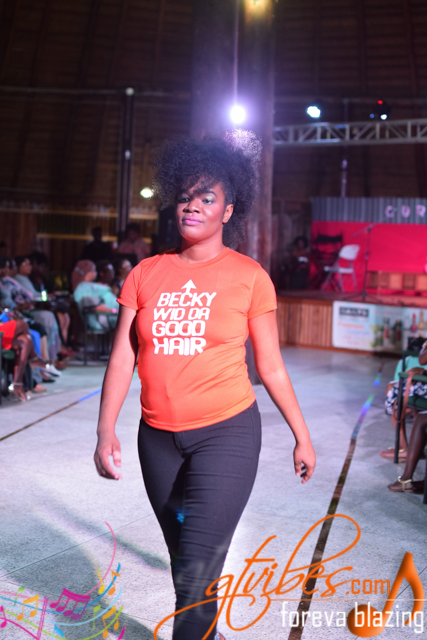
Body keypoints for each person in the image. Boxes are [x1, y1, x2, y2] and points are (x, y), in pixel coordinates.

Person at [93, 133, 316, 640]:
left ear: (228, 211)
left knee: (194, 574)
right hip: (157, 439)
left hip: (227, 434)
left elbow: (271, 367)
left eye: (207, 198)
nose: (192, 206)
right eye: (185, 197)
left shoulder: (249, 277)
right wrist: (105, 430)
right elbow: (123, 356)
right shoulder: (145, 274)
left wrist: (302, 436)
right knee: (188, 565)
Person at [72, 260, 118, 331]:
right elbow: (94, 306)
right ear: (88, 273)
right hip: (106, 318)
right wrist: (114, 311)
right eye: (94, 271)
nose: (96, 273)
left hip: (114, 316)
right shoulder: (82, 287)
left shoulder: (91, 285)